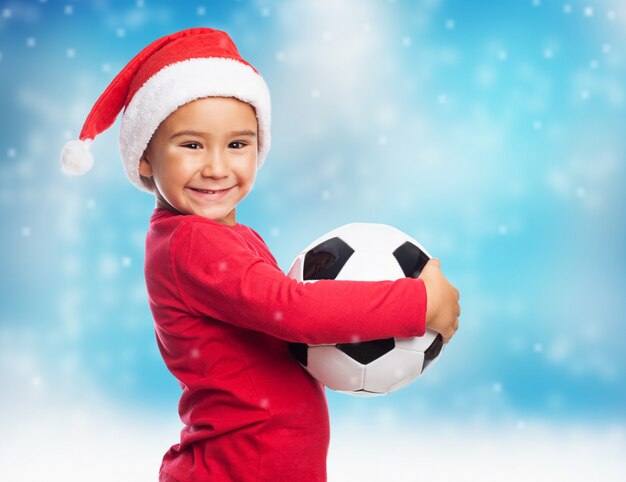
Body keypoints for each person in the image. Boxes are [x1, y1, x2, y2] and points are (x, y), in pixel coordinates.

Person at [61, 27, 460, 482]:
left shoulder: (222, 236)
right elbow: (295, 310)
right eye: (191, 145)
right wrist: (419, 303)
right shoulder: (192, 243)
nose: (216, 167)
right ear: (145, 157)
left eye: (237, 144)